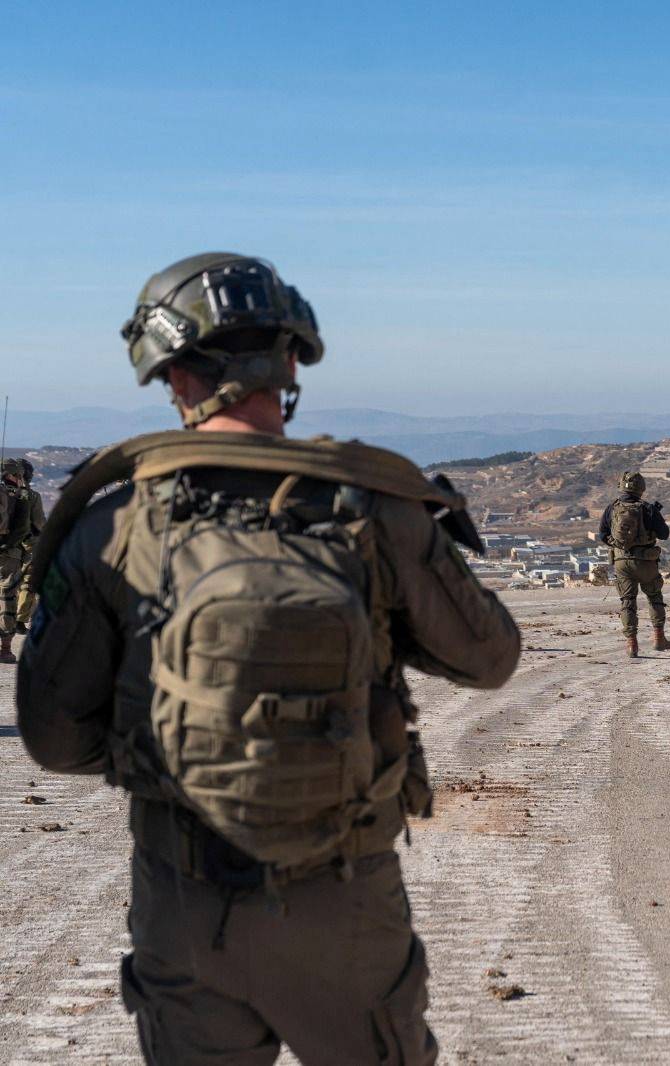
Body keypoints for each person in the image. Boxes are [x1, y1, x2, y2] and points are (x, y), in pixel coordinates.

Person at [17, 252, 521, 1065]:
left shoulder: (113, 519)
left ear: (172, 373)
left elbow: (54, 740)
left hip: (184, 901)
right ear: (290, 363)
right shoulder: (375, 503)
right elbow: (490, 660)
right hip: (346, 899)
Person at [599, 471, 670, 657]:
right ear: (641, 488)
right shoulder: (647, 508)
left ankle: (631, 644)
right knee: (654, 597)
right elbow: (664, 534)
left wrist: (620, 546)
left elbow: (602, 535)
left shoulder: (612, 508)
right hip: (646, 562)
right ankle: (658, 638)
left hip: (622, 563)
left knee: (627, 602)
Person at [1, 456, 45, 664]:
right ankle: (6, 646)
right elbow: (37, 524)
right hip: (16, 550)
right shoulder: (29, 496)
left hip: (14, 550)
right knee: (11, 593)